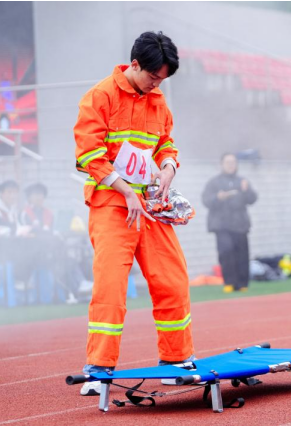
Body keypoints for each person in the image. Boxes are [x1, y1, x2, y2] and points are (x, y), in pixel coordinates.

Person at [73, 31, 194, 396]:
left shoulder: (158, 100)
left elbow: (166, 144)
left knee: (172, 280)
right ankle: (98, 368)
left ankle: (176, 362)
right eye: (153, 77)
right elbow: (88, 154)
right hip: (112, 202)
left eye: (163, 80)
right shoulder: (100, 96)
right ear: (135, 65)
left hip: (150, 205)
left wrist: (168, 168)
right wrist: (126, 191)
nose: (157, 84)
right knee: (110, 286)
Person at [201, 153, 258, 293]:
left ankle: (242, 284)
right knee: (226, 253)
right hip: (222, 225)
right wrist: (218, 197)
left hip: (240, 224)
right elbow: (206, 200)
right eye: (228, 162)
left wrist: (246, 190)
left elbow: (252, 199)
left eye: (233, 162)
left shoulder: (242, 181)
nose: (231, 165)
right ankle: (229, 283)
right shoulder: (214, 182)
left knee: (242, 254)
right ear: (221, 164)